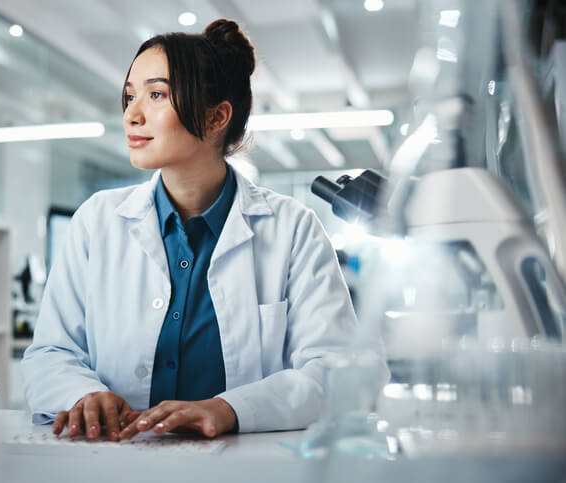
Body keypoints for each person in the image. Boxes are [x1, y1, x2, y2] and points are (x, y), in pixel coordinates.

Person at [22, 19, 385, 442]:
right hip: (116, 461)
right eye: (129, 96)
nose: (132, 114)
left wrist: (228, 409)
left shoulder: (292, 229)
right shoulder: (97, 221)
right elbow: (49, 353)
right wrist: (83, 393)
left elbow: (340, 370)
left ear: (216, 117)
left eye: (156, 95)